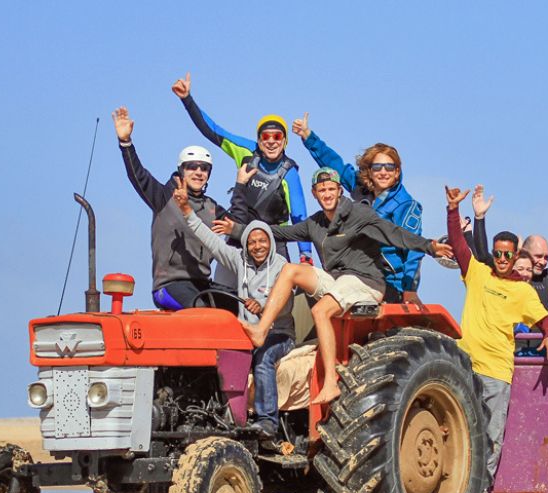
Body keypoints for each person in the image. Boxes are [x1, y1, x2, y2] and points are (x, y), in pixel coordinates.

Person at [239, 168, 452, 405]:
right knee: (290, 270)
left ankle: (330, 382)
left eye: (331, 189)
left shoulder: (358, 214)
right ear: (314, 193)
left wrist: (430, 247)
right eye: (322, 190)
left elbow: (393, 233)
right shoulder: (315, 223)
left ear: (339, 190)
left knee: (320, 310)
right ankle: (261, 330)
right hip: (339, 281)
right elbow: (279, 232)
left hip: (365, 281)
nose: (327, 194)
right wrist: (237, 230)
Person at [445, 185, 548, 481]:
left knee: (490, 435)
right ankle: (454, 488)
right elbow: (459, 245)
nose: (502, 258)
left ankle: (482, 490)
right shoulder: (478, 273)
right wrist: (453, 210)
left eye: (507, 254)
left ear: (514, 256)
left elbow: (546, 319)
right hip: (465, 365)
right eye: (497, 253)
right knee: (455, 430)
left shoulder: (522, 291)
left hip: (496, 372)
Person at [172, 171, 295, 441]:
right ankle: (218, 417)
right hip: (245, 335)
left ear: (271, 243)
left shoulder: (282, 268)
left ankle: (267, 422)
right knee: (215, 355)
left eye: (262, 241)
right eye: (252, 241)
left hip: (278, 335)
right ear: (246, 245)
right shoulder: (240, 261)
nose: (258, 246)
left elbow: (285, 306)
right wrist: (185, 209)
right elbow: (212, 241)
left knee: (263, 359)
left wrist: (262, 307)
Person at [170, 73, 312, 264]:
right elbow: (212, 130)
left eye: (277, 137)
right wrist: (187, 99)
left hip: (273, 240)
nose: (271, 142)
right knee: (226, 290)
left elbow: (299, 216)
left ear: (284, 141)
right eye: (265, 137)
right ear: (259, 139)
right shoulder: (245, 151)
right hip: (240, 235)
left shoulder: (289, 172)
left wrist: (306, 254)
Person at [292, 113, 424, 303]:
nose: (383, 172)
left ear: (397, 172)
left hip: (388, 283)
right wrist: (308, 136)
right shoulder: (362, 190)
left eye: (389, 167)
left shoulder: (406, 206)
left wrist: (410, 289)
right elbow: (336, 166)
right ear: (369, 170)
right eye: (378, 167)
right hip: (354, 274)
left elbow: (414, 249)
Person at [112, 106, 229, 310]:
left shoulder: (213, 208)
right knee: (200, 312)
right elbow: (138, 175)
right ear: (181, 170)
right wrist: (126, 143)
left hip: (202, 285)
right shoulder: (164, 198)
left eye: (204, 168)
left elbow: (243, 227)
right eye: (192, 166)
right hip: (169, 286)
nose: (198, 172)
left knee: (238, 308)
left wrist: (243, 184)